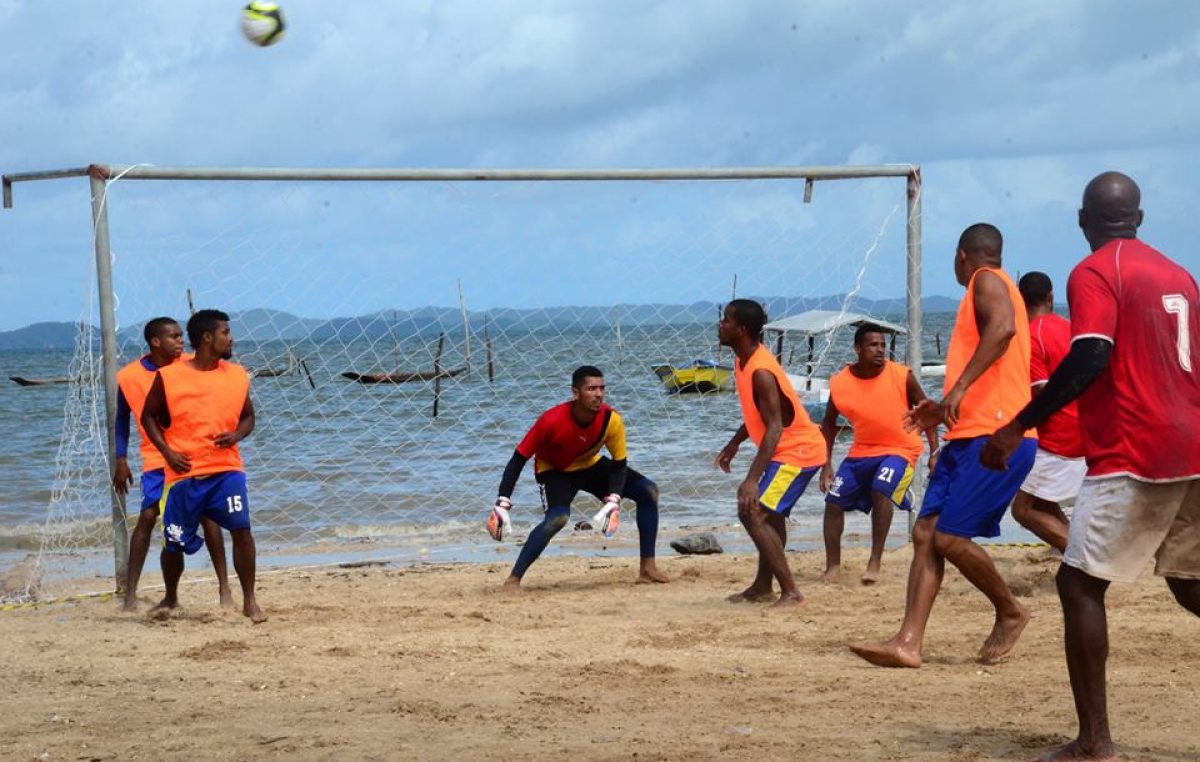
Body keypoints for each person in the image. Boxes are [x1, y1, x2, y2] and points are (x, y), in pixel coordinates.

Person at [982, 172, 1200, 762]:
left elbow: (1092, 356)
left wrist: (1018, 424)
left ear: (1083, 220)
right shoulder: (1180, 274)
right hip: (1192, 445)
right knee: (1188, 581)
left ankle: (1094, 741)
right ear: (1140, 218)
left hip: (1135, 447)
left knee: (1078, 583)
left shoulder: (1096, 271)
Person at [850, 222, 1038, 668]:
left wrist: (959, 389)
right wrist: (945, 406)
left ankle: (1010, 610)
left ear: (961, 256)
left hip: (994, 434)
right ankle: (908, 642)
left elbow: (1004, 330)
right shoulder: (992, 286)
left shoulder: (986, 280)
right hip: (967, 432)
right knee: (925, 534)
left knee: (950, 537)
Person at [487, 365, 668, 589]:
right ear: (575, 393)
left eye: (602, 388)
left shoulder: (611, 420)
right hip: (555, 471)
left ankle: (648, 569)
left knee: (649, 491)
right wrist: (503, 501)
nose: (599, 394)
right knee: (558, 519)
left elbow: (619, 465)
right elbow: (518, 459)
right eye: (591, 389)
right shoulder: (551, 420)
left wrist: (614, 498)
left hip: (589, 465)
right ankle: (514, 579)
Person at [140, 309, 265, 623]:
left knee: (242, 530)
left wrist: (236, 434)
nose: (231, 338)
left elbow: (249, 416)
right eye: (225, 332)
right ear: (207, 338)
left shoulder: (236, 374)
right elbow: (148, 416)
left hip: (227, 471)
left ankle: (250, 600)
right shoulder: (170, 376)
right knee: (174, 542)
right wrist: (168, 453)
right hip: (184, 474)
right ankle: (171, 596)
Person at [113, 317, 232, 611]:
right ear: (155, 342)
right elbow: (122, 419)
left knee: (209, 517)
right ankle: (133, 596)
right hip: (157, 458)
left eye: (181, 336)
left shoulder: (193, 363)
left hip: (195, 454)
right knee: (148, 517)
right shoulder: (129, 377)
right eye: (175, 337)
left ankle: (225, 589)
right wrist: (121, 459)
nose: (181, 341)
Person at [714, 299, 826, 609]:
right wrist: (734, 443)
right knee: (770, 516)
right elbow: (759, 415)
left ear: (742, 329)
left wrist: (751, 479)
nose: (720, 325)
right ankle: (763, 587)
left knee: (752, 511)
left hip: (799, 451)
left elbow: (775, 427)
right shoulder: (743, 361)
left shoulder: (761, 370)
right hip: (788, 450)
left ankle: (792, 593)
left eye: (726, 320)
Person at [818, 323, 938, 585]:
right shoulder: (840, 383)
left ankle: (875, 561)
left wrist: (934, 451)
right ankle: (833, 566)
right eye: (873, 345)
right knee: (833, 502)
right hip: (861, 451)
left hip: (901, 449)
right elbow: (828, 424)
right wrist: (825, 465)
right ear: (857, 348)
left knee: (880, 488)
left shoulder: (901, 375)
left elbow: (928, 411)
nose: (880, 350)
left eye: (883, 345)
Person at [1010, 272, 1085, 552]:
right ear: (1051, 296)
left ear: (1020, 300)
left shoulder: (1031, 337)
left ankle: (1080, 557)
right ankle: (1076, 552)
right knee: (1044, 502)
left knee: (1023, 509)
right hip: (1086, 429)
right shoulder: (1072, 329)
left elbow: (1041, 393)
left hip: (1057, 437)